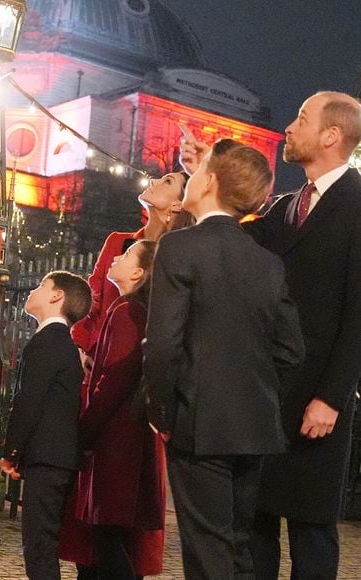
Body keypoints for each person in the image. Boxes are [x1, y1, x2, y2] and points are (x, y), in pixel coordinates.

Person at [180, 92, 361, 580]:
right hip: (265, 394)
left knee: (311, 527)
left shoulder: (357, 205)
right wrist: (208, 179)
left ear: (330, 135)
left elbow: (358, 314)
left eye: (301, 118)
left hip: (317, 402)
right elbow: (233, 239)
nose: (288, 126)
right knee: (254, 521)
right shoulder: (286, 205)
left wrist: (330, 397)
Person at [144, 139, 305, 579]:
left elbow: (162, 343)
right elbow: (291, 350)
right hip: (254, 424)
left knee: (207, 553)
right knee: (237, 549)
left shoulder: (180, 247)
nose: (190, 178)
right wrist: (258, 393)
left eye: (197, 172)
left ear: (210, 181)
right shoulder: (267, 262)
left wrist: (162, 411)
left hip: (198, 422)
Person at [60, 240, 167, 580]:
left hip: (117, 441)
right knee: (108, 539)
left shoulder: (127, 311)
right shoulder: (130, 309)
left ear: (138, 272)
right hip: (125, 438)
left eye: (126, 255)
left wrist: (87, 426)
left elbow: (115, 376)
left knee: (107, 537)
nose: (115, 258)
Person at [0, 271, 92, 580]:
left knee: (39, 545)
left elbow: (28, 400)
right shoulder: (62, 343)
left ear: (56, 296)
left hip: (48, 457)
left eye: (41, 285)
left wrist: (11, 450)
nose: (33, 291)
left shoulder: (48, 342)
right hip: (57, 457)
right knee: (43, 542)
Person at [71, 171, 194, 367]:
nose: (153, 181)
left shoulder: (178, 257)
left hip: (143, 365)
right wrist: (79, 347)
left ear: (178, 204)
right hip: (96, 359)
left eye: (167, 182)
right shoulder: (118, 242)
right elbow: (93, 300)